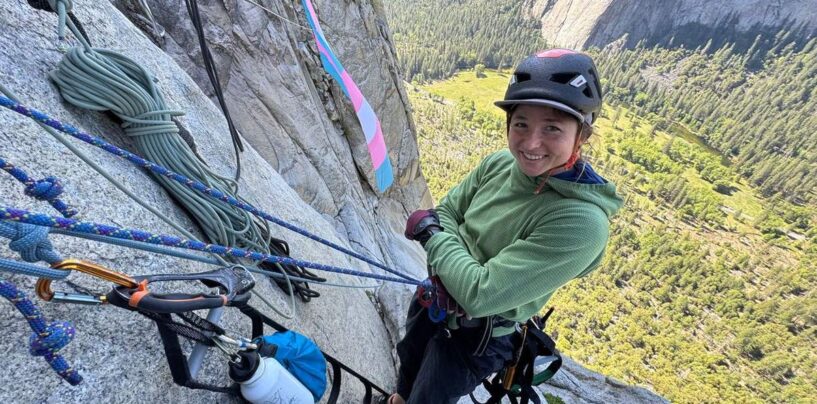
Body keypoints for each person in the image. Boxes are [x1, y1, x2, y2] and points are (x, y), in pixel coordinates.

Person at [385, 49, 624, 404]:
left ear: (582, 135)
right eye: (521, 123)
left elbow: (479, 294)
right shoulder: (499, 163)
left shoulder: (582, 223)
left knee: (429, 397)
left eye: (552, 128)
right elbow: (447, 211)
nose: (531, 143)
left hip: (478, 337)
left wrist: (433, 237)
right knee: (408, 362)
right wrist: (456, 270)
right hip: (433, 298)